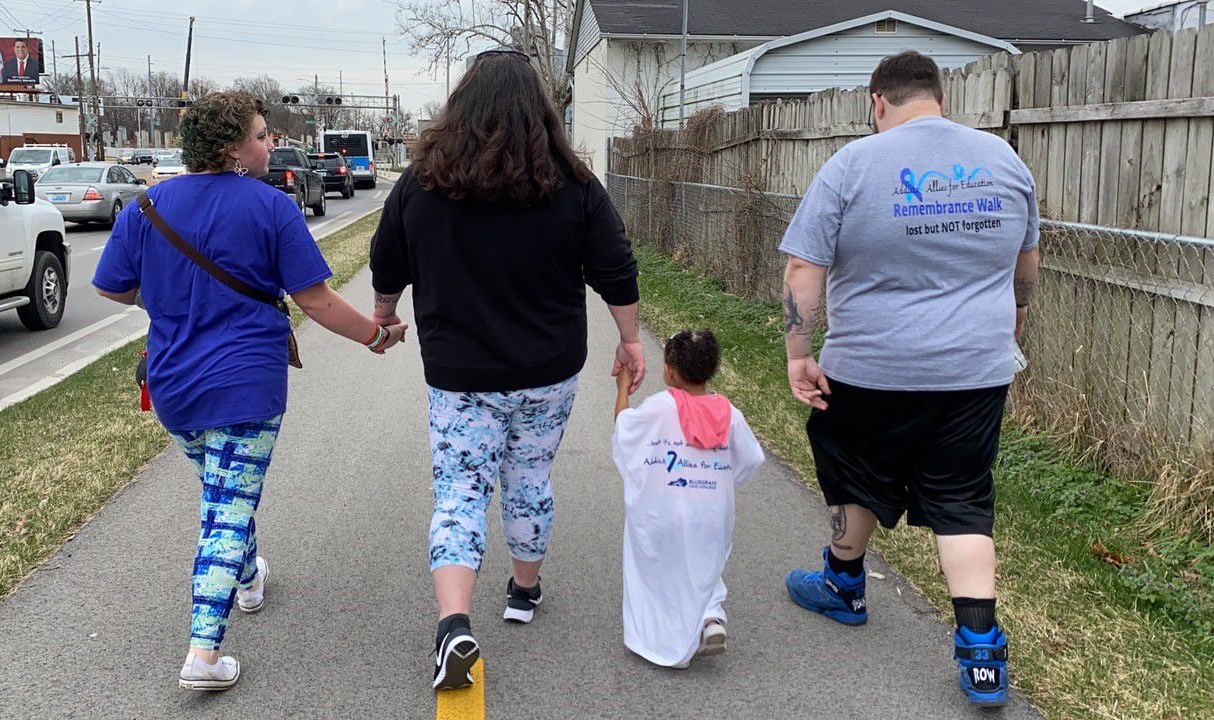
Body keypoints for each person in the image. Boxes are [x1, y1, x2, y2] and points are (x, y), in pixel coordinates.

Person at [92, 91, 407, 692]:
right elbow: (314, 299)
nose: (269, 144)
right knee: (227, 505)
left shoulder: (146, 207)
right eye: (261, 135)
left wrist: (165, 301)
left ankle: (249, 581)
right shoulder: (272, 207)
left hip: (173, 387)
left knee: (225, 489)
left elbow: (112, 288)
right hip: (244, 384)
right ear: (232, 147)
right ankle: (204, 654)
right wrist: (374, 335)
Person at [368, 47, 643, 691]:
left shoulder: (422, 183)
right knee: (529, 475)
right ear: (540, 110)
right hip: (548, 368)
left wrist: (385, 315)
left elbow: (388, 260)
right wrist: (630, 340)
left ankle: (454, 624)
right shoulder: (573, 184)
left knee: (461, 491)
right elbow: (615, 266)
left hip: (461, 373)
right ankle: (523, 590)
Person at [778, 51, 1040, 708]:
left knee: (850, 466)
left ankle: (843, 583)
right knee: (962, 497)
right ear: (940, 98)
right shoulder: (1004, 162)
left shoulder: (852, 165)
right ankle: (981, 651)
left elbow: (802, 271)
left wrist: (797, 353)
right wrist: (1016, 321)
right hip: (974, 370)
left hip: (871, 369)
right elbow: (1027, 264)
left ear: (877, 103)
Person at [612, 330, 764, 669]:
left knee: (658, 565)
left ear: (669, 371)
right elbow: (751, 459)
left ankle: (656, 640)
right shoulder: (730, 414)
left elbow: (625, 432)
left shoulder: (659, 408)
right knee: (704, 564)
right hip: (711, 512)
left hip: (663, 514)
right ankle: (710, 618)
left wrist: (622, 388)